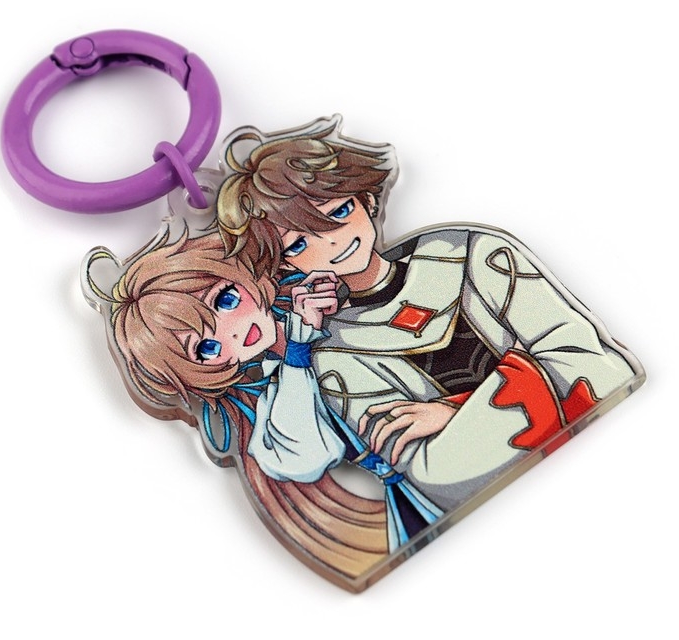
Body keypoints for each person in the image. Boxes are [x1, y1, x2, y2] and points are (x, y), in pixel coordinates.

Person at [215, 114, 645, 512]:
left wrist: (455, 412)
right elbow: (438, 474)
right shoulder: (336, 355)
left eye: (340, 212)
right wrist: (534, 380)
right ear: (285, 264)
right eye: (299, 243)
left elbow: (599, 368)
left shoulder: (473, 253)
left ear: (367, 199)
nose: (333, 241)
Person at [83, 228, 391, 589]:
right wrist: (297, 350)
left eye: (226, 300)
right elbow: (300, 455)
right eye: (207, 348)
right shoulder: (274, 400)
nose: (232, 331)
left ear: (242, 275)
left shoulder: (315, 305)